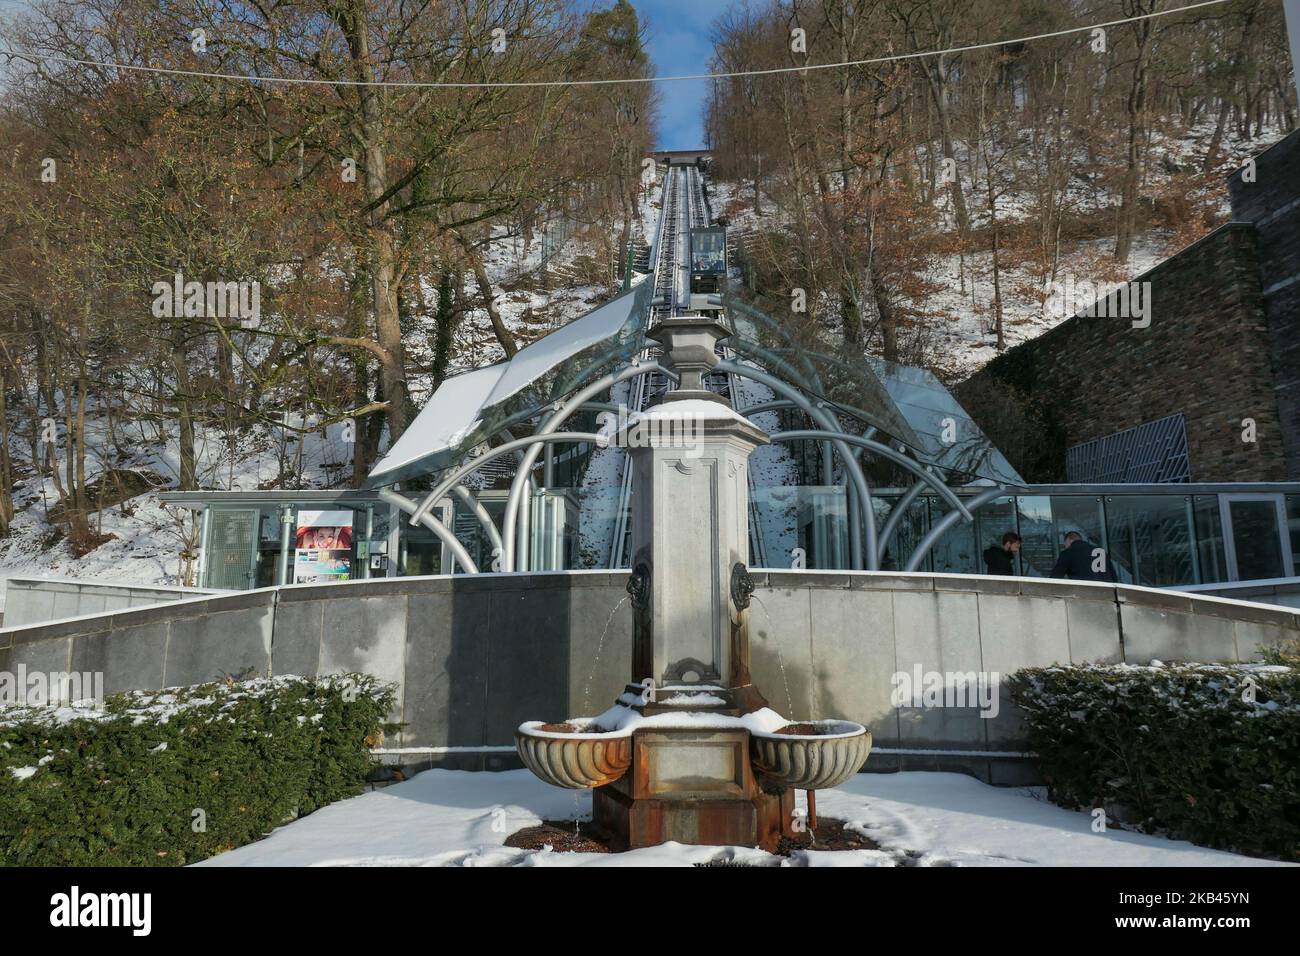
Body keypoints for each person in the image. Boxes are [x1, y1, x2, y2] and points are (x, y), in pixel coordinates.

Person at [1050, 531, 1117, 581]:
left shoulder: (1067, 553)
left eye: (1065, 544)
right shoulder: (1101, 551)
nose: (1066, 547)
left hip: (1084, 592)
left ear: (1069, 540)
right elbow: (1114, 576)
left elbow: (1055, 577)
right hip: (1107, 591)